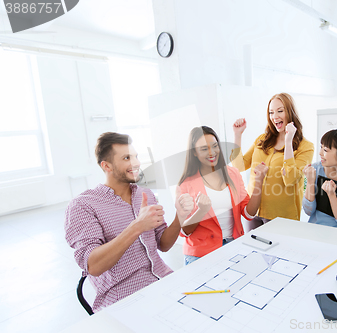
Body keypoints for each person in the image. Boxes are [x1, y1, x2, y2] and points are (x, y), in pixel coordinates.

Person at [65, 132, 193, 312]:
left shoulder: (145, 194)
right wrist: (137, 226)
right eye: (126, 158)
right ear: (106, 165)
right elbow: (93, 265)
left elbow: (163, 245)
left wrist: (180, 217)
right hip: (124, 299)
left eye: (135, 156)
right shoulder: (83, 205)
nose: (136, 163)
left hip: (164, 280)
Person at [177, 126, 268, 265]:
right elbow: (184, 230)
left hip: (233, 247)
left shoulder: (233, 174)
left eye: (215, 146)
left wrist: (259, 181)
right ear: (194, 153)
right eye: (204, 149)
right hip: (200, 255)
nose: (212, 152)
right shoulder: (186, 183)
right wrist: (201, 211)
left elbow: (249, 213)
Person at [231, 93, 314, 230]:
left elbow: (290, 178)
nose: (275, 116)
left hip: (282, 216)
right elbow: (238, 166)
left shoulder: (305, 146)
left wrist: (288, 142)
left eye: (280, 111)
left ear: (290, 112)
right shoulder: (262, 139)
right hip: (253, 211)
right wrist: (237, 135)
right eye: (271, 112)